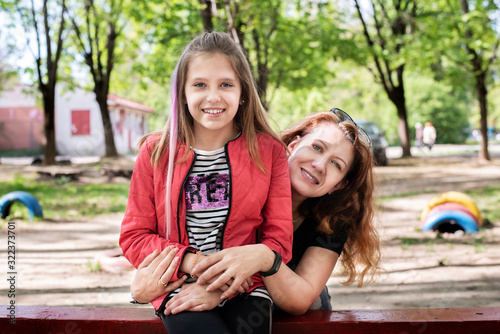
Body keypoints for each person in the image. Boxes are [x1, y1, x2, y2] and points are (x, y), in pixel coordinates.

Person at [119, 31, 293, 334]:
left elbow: (278, 241)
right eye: (200, 85)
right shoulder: (155, 153)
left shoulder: (270, 152)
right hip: (179, 285)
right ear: (182, 93)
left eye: (225, 84)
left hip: (245, 286)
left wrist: (225, 283)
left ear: (242, 92)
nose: (213, 96)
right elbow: (134, 236)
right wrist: (191, 263)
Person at [130, 109, 381, 317]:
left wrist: (263, 258)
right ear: (293, 145)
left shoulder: (332, 221)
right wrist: (142, 290)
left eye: (336, 165)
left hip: (289, 312)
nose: (319, 165)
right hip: (226, 300)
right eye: (316, 147)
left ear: (339, 185)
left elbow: (300, 299)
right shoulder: (244, 175)